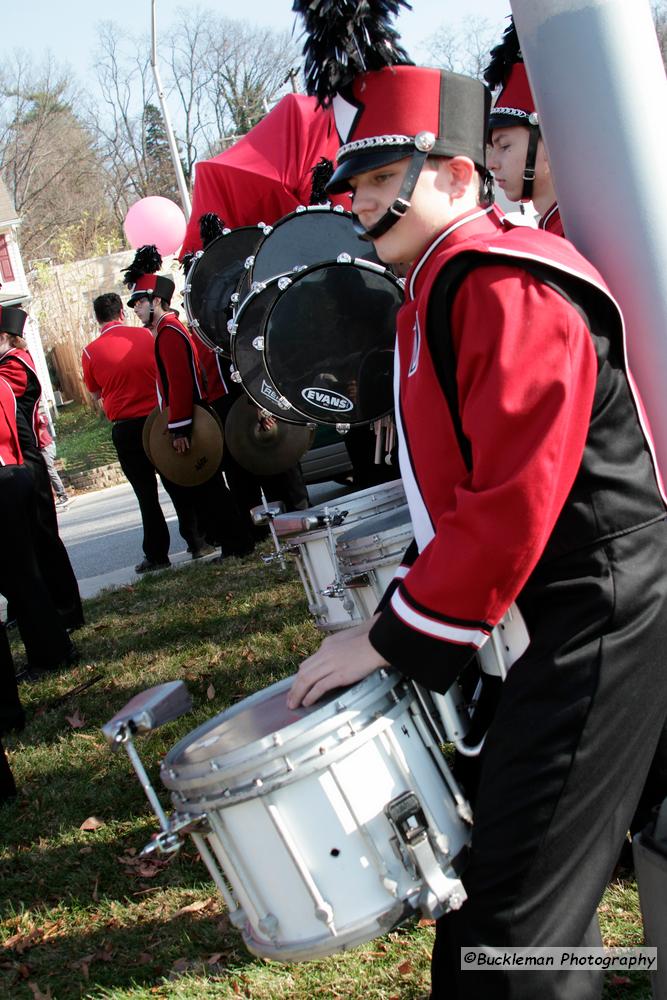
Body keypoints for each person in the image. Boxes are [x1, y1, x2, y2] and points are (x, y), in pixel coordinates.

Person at [286, 8, 667, 998]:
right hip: (574, 602)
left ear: (455, 173)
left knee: (508, 924)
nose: (364, 202)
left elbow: (511, 502)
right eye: (358, 182)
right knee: (523, 910)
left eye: (381, 179)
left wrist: (383, 637)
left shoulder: (494, 280)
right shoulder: (448, 281)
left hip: (602, 604)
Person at [123, 249, 255, 559]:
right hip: (192, 415)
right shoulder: (168, 331)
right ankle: (236, 542)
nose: (136, 309)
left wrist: (179, 427)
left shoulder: (169, 332)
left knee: (210, 490)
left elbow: (181, 383)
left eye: (140, 302)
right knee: (208, 489)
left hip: (191, 416)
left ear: (156, 301)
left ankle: (238, 544)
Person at [0, 304, 84, 632]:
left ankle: (66, 608)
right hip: (22, 459)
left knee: (44, 537)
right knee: (28, 541)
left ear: (6, 337)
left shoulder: (14, 366)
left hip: (29, 459)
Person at [82, 293, 173, 573]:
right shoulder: (147, 336)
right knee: (176, 479)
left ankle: (157, 554)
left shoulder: (90, 351)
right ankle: (198, 538)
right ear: (122, 312)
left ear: (97, 319)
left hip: (126, 426)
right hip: (157, 419)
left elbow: (95, 391)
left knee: (145, 493)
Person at [0, 373, 77, 683]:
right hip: (14, 475)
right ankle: (53, 650)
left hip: (5, 479)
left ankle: (52, 653)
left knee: (21, 582)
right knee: (24, 579)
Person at [484, 20, 564, 236]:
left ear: (549, 143)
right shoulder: (555, 230)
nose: (491, 164)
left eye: (504, 145)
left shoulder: (587, 236)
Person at [36, 408, 71, 507]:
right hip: (40, 448)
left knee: (50, 470)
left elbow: (44, 421)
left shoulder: (36, 415)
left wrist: (35, 438)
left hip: (46, 447)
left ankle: (63, 495)